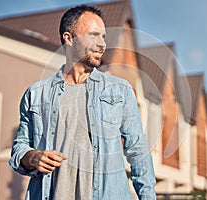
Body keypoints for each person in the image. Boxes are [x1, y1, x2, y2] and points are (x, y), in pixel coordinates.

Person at [9, 4, 156, 200]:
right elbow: (20, 147)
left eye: (103, 37)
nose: (102, 44)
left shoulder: (119, 90)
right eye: (94, 35)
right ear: (69, 38)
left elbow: (138, 151)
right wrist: (33, 157)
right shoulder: (36, 94)